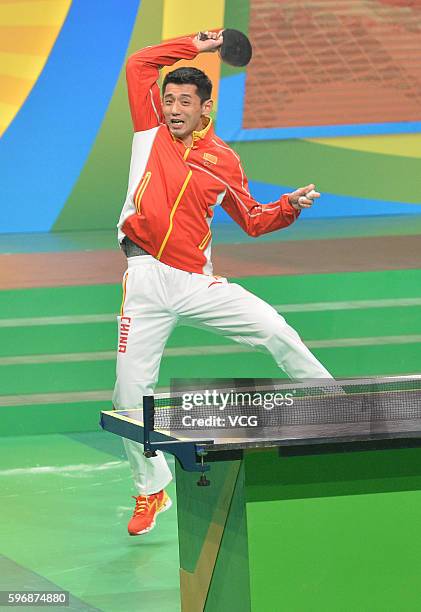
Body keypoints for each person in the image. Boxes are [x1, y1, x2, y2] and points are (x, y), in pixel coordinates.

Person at [113, 31, 333, 536]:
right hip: (144, 278)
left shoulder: (224, 161)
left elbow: (253, 218)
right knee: (128, 391)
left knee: (275, 330)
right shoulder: (150, 134)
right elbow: (139, 63)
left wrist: (288, 207)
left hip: (195, 281)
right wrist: (198, 43)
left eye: (184, 102)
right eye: (168, 100)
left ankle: (333, 402)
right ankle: (152, 489)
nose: (172, 108)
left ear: (205, 107)